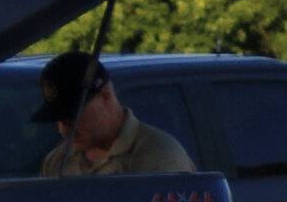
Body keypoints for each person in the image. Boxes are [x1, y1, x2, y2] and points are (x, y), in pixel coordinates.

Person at [36, 53, 194, 178]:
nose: (63, 128)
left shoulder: (159, 157)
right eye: (58, 118)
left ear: (105, 96)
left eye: (72, 115)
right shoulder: (57, 162)